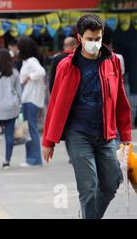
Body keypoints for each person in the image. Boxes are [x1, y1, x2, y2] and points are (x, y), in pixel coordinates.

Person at [42, 14, 132, 219]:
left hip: (106, 134)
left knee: (111, 183)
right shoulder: (67, 65)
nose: (95, 43)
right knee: (88, 186)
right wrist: (49, 140)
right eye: (90, 39)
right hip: (78, 134)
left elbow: (121, 101)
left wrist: (126, 135)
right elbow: (55, 103)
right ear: (80, 37)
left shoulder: (112, 63)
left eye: (98, 38)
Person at [18, 37, 46, 167]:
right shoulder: (27, 62)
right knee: (27, 129)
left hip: (31, 99)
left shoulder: (31, 61)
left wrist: (29, 77)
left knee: (31, 129)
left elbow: (41, 72)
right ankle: (31, 158)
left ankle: (34, 159)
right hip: (29, 99)